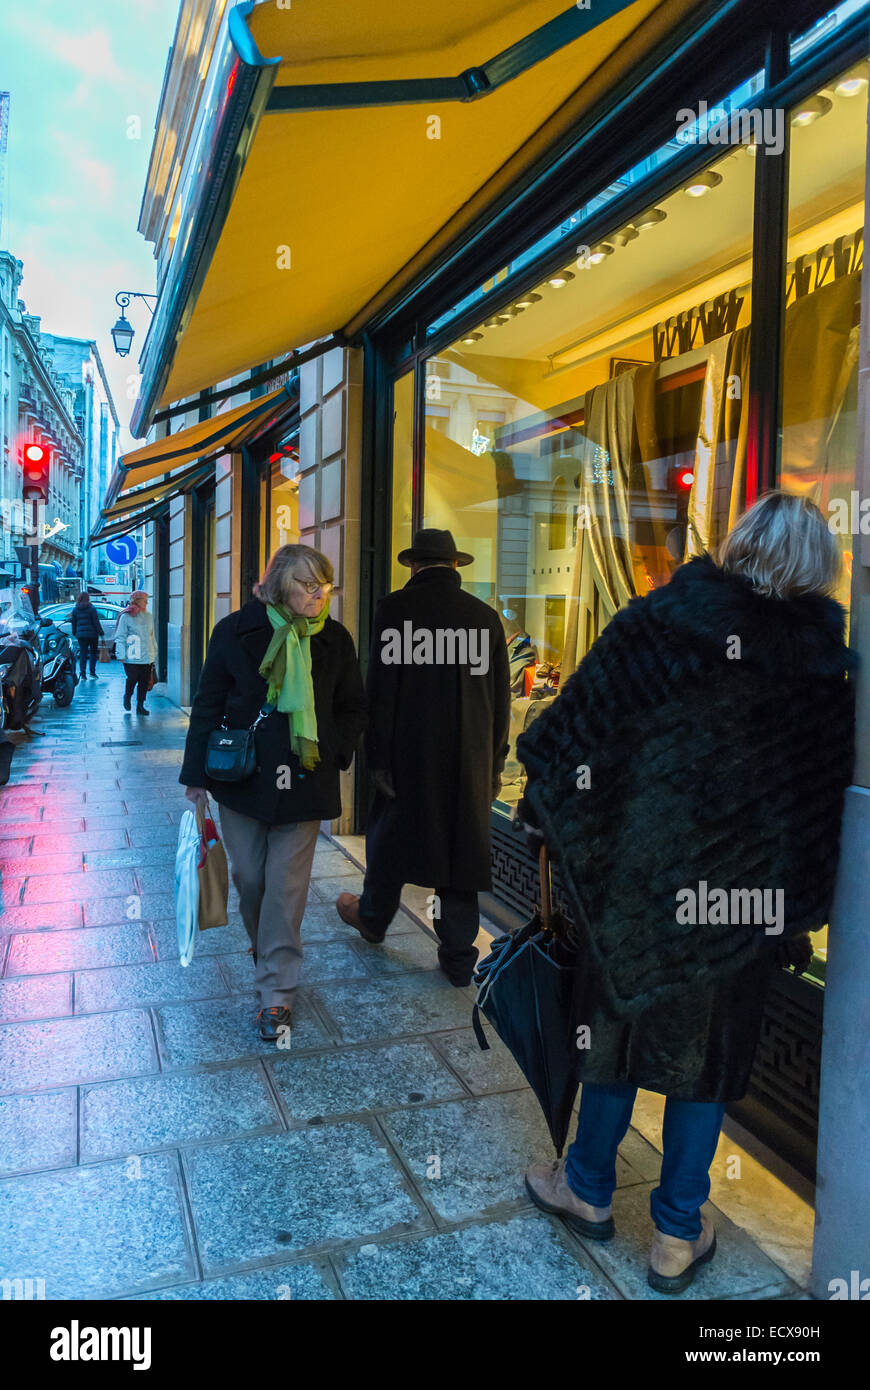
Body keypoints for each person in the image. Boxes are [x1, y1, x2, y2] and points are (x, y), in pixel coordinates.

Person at [515, 492, 856, 1294]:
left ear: (737, 548)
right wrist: (794, 913)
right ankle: (676, 1232)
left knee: (614, 1032)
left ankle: (589, 1190)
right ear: (819, 569)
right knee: (710, 1060)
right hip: (741, 909)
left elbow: (564, 741)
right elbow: (822, 815)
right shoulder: (823, 674)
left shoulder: (655, 625)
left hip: (638, 883)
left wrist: (571, 833)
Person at [179, 544, 367, 1041]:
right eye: (309, 584)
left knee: (285, 889)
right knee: (249, 879)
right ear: (281, 582)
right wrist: (195, 775)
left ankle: (276, 993)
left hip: (305, 782)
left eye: (325, 585)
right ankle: (266, 948)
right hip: (243, 782)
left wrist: (333, 751)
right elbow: (207, 704)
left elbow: (353, 707)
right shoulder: (235, 632)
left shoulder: (335, 639)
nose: (319, 594)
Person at [336, 528, 511, 986]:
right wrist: (494, 763)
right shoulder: (485, 618)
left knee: (391, 839)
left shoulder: (396, 610)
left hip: (409, 754)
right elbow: (500, 698)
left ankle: (373, 918)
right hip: (469, 758)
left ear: (413, 566)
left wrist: (378, 757)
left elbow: (382, 688)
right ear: (455, 567)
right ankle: (457, 958)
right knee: (461, 853)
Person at [114, 591, 157, 714]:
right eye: (145, 600)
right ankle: (127, 696)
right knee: (132, 678)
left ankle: (140, 705)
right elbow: (120, 636)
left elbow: (151, 636)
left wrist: (154, 653)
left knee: (144, 681)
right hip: (131, 655)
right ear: (137, 600)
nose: (147, 602)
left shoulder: (148, 616)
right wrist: (120, 654)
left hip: (146, 656)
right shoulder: (126, 617)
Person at [69, 592, 104, 679]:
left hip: (81, 635)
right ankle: (92, 673)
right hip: (92, 635)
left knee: (83, 654)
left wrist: (75, 632)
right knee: (93, 653)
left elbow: (74, 623)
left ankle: (83, 674)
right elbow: (96, 622)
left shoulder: (75, 609)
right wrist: (101, 632)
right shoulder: (92, 608)